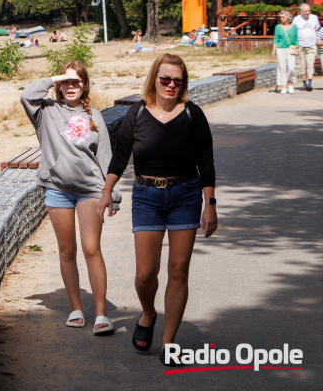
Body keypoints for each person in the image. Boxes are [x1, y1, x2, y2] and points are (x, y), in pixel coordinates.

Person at [98, 53, 217, 365]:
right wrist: (107, 190)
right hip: (147, 196)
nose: (172, 85)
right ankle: (149, 312)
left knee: (178, 270)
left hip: (186, 195)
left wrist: (210, 204)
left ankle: (168, 343)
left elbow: (206, 160)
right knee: (145, 273)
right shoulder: (136, 114)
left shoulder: (193, 115)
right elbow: (120, 155)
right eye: (166, 79)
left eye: (178, 80)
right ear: (154, 79)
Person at [21, 61, 120, 335]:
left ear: (85, 85)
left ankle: (101, 313)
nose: (71, 86)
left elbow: (105, 158)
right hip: (57, 190)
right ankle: (76, 309)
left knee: (91, 248)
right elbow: (26, 95)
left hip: (90, 190)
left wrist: (112, 194)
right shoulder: (45, 112)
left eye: (76, 81)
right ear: (59, 85)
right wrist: (57, 75)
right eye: (66, 81)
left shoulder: (95, 117)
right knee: (67, 251)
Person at [291, 3, 321, 91]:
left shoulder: (314, 18)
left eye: (308, 11)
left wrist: (317, 39)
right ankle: (304, 83)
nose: (307, 13)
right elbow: (293, 32)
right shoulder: (296, 19)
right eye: (305, 11)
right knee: (301, 65)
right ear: (301, 12)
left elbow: (317, 30)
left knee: (310, 64)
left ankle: (310, 83)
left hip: (311, 45)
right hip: (300, 45)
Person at [272, 10, 298, 94]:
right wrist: (273, 50)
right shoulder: (278, 27)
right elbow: (276, 39)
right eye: (280, 17)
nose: (281, 18)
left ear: (287, 18)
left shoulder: (294, 27)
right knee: (282, 67)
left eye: (282, 17)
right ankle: (283, 86)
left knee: (291, 67)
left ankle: (290, 84)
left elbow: (296, 38)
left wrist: (297, 48)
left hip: (291, 48)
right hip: (280, 49)